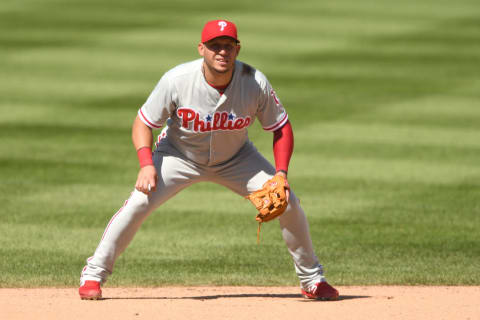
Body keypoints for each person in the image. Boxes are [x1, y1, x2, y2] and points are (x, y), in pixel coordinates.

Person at [79, 19, 339, 301]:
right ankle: (94, 274)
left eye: (228, 46)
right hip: (178, 155)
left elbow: (281, 128)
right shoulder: (176, 80)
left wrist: (281, 173)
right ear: (201, 49)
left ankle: (312, 280)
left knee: (288, 202)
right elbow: (143, 123)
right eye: (215, 46)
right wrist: (146, 164)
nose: (222, 52)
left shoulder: (254, 82)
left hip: (237, 158)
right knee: (139, 202)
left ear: (238, 50)